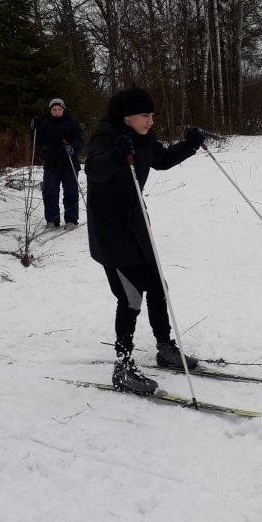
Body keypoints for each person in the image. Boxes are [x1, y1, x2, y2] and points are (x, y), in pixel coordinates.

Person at [85, 86, 206, 394]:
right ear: (127, 117)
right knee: (131, 297)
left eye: (152, 115)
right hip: (110, 229)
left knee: (156, 285)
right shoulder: (106, 135)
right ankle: (122, 367)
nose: (150, 121)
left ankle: (165, 348)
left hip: (136, 222)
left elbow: (161, 159)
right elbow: (94, 168)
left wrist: (189, 146)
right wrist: (115, 154)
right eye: (144, 115)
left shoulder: (144, 136)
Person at [34, 97, 84, 230]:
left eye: (59, 109)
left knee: (71, 193)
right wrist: (36, 128)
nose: (57, 112)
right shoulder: (46, 124)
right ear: (51, 111)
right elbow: (38, 142)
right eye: (54, 109)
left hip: (69, 163)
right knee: (50, 192)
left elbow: (80, 140)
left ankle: (71, 220)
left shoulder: (72, 123)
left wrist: (73, 147)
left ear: (63, 109)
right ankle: (52, 220)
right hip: (51, 164)